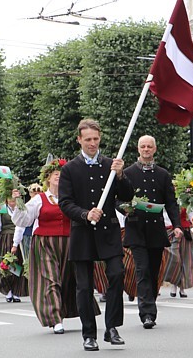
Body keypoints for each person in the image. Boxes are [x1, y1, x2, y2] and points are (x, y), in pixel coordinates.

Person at [58, 118, 134, 352]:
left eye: (96, 139)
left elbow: (126, 195)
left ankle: (112, 328)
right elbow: (65, 203)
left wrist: (121, 176)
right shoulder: (69, 169)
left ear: (100, 138)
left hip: (108, 232)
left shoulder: (112, 164)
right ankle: (89, 334)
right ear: (79, 140)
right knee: (84, 286)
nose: (92, 143)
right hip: (82, 233)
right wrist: (84, 213)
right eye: (88, 139)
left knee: (116, 273)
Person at [11, 158, 81, 334]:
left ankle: (63, 312)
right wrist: (19, 204)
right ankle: (55, 319)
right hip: (44, 243)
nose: (58, 176)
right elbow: (23, 220)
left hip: (68, 242)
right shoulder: (39, 199)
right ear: (48, 178)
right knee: (50, 279)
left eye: (61, 174)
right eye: (54, 174)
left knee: (66, 280)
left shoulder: (73, 197)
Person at [120, 135, 183, 329]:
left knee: (154, 271)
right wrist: (126, 208)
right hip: (136, 229)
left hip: (156, 230)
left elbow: (171, 203)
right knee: (142, 270)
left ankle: (150, 304)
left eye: (149, 146)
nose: (146, 149)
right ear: (138, 149)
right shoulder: (128, 173)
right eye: (143, 146)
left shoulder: (163, 174)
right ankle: (147, 313)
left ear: (154, 149)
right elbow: (117, 199)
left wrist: (178, 225)